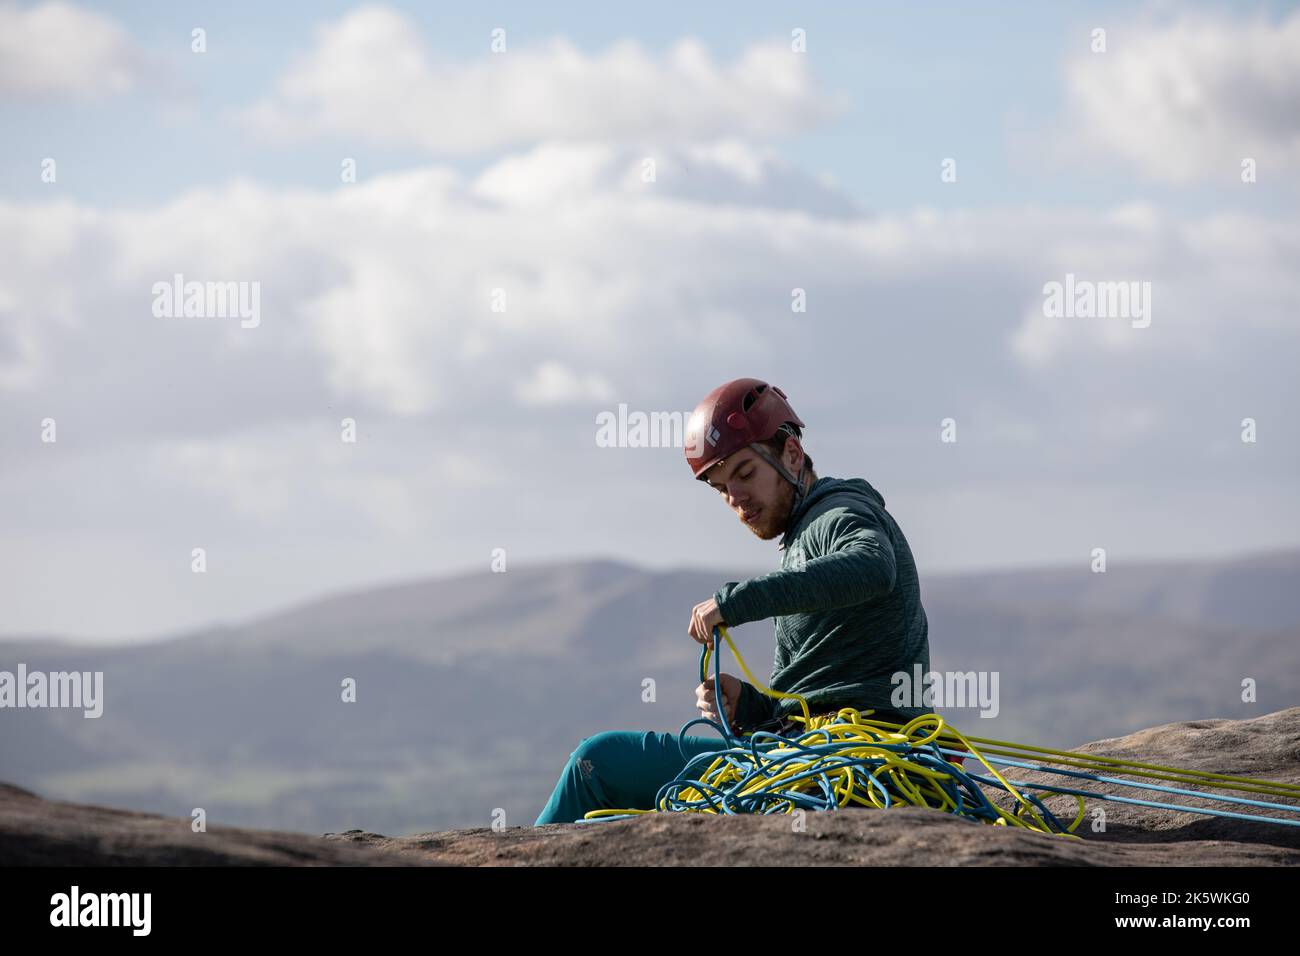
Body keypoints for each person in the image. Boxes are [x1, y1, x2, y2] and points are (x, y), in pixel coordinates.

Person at [533, 377, 936, 826]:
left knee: (598, 763)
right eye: (721, 488)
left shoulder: (837, 513)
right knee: (601, 815)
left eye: (745, 474)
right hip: (809, 750)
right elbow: (816, 698)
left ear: (792, 455)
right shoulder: (802, 537)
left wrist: (736, 602)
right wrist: (749, 706)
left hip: (849, 757)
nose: (736, 498)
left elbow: (873, 568)